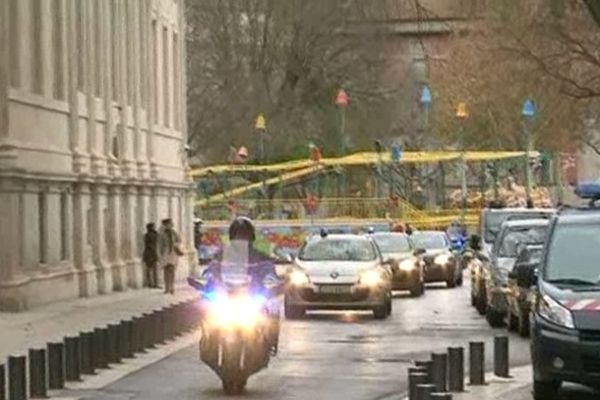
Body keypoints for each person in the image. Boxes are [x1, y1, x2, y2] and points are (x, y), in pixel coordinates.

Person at [200, 216, 282, 355]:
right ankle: (207, 342)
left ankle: (270, 342)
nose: (241, 239)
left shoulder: (260, 256)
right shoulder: (220, 255)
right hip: (226, 297)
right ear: (232, 237)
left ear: (251, 237)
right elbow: (211, 270)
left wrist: (271, 281)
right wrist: (206, 280)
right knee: (205, 310)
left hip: (250, 296)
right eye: (238, 235)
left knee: (273, 308)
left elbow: (269, 271)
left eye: (244, 236)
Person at [158, 218, 183, 294]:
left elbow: (179, 240)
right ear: (165, 225)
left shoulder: (174, 233)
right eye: (169, 224)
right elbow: (159, 244)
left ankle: (172, 287)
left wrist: (176, 245)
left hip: (173, 253)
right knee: (166, 270)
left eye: (171, 224)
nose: (171, 225)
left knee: (171, 270)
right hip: (165, 253)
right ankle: (167, 287)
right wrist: (160, 254)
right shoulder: (162, 234)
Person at [142, 223, 160, 288]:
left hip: (150, 253)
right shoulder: (151, 235)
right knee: (152, 269)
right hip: (151, 253)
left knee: (151, 269)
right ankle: (153, 283)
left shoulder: (148, 235)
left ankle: (151, 283)